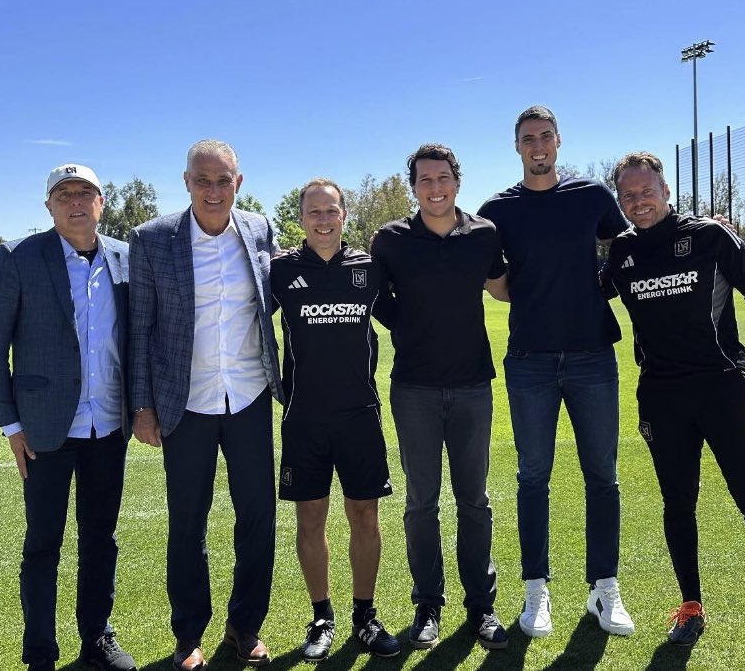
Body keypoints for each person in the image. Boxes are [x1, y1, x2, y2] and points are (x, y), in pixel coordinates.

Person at [602, 152, 745, 661]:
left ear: (666, 191)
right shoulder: (621, 253)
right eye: (628, 196)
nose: (638, 202)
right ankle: (690, 607)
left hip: (724, 388)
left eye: (646, 191)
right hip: (662, 397)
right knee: (678, 504)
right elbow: (578, 294)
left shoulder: (710, 236)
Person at [477, 106, 635, 638]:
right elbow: (494, 282)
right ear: (516, 146)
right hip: (530, 362)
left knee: (602, 476)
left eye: (546, 136)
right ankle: (535, 592)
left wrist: (598, 287)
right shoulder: (497, 209)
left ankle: (604, 590)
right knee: (532, 477)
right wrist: (531, 296)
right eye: (528, 139)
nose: (538, 145)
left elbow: (625, 248)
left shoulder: (590, 195)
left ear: (559, 142)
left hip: (592, 355)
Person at [128, 140, 282, 671]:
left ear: (239, 182)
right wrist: (142, 405)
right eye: (203, 180)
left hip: (249, 397)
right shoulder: (151, 240)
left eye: (224, 181)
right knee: (187, 522)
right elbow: (140, 327)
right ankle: (188, 635)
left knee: (258, 517)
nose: (214, 191)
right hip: (184, 403)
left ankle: (245, 627)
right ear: (186, 182)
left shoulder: (260, 229)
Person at [0, 165, 136, 671]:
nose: (75, 202)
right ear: (49, 205)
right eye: (63, 194)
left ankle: (97, 638)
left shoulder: (123, 258)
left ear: (101, 202)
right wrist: (11, 425)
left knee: (100, 538)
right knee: (43, 543)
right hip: (45, 430)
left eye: (84, 193)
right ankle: (41, 653)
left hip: (109, 425)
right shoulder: (18, 258)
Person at [370, 143, 510, 651]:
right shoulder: (390, 239)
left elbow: (502, 287)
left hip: (473, 384)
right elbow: (374, 298)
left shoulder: (484, 234)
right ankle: (427, 604)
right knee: (421, 503)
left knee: (475, 500)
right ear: (414, 187)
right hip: (415, 389)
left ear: (457, 180)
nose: (435, 188)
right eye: (425, 180)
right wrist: (408, 324)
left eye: (443, 178)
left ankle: (482, 607)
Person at [270, 179, 401, 663]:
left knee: (365, 515)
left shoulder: (369, 267)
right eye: (314, 212)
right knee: (311, 517)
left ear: (344, 215)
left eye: (331, 212)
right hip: (303, 417)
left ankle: (364, 616)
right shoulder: (281, 270)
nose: (323, 220)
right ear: (301, 218)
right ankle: (322, 616)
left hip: (360, 416)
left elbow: (404, 317)